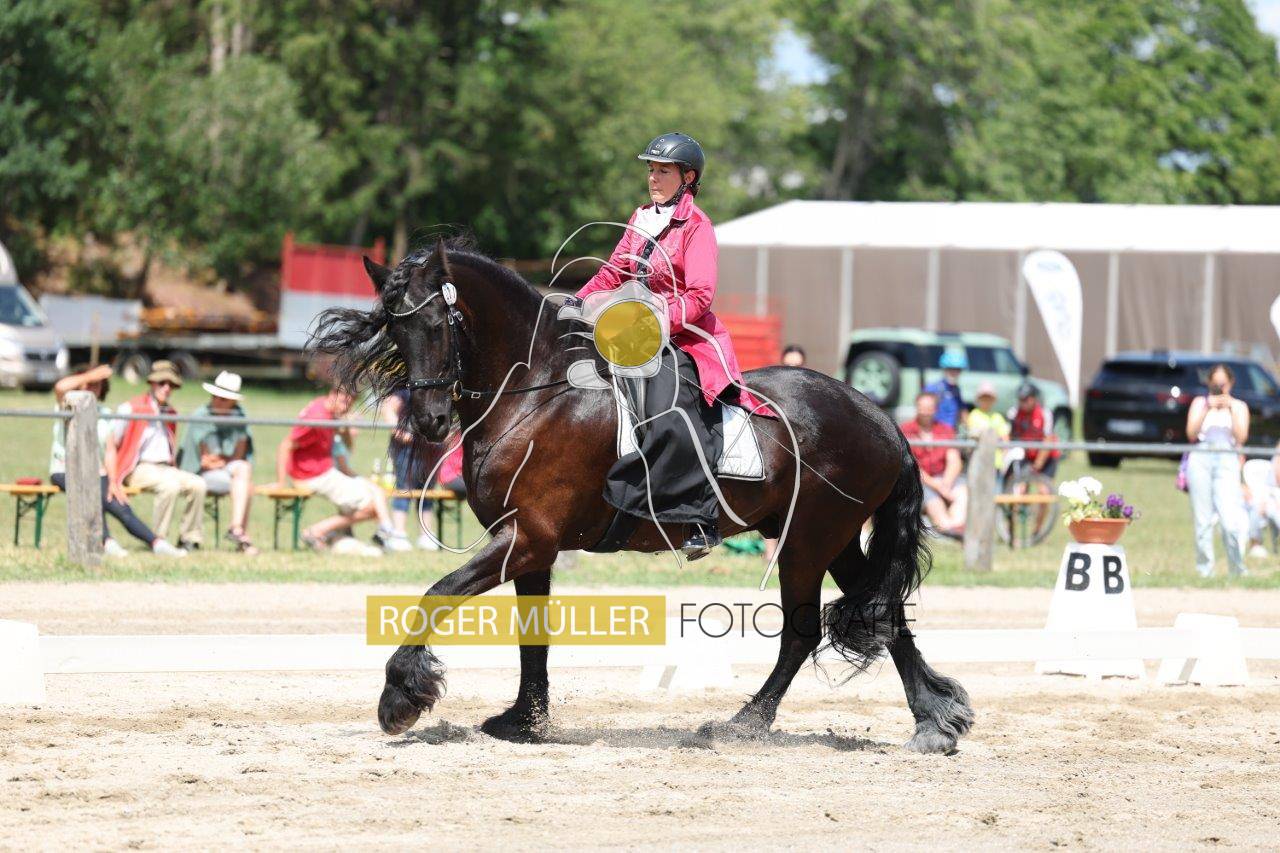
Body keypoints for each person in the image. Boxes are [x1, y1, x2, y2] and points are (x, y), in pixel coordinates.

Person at [559, 132, 774, 560]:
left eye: (663, 171)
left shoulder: (697, 227)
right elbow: (612, 273)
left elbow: (700, 295)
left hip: (685, 339)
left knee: (670, 415)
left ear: (687, 177)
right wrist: (577, 302)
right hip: (633, 335)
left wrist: (656, 317)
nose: (653, 178)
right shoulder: (641, 218)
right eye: (651, 170)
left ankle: (700, 518)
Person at [49, 365, 185, 558]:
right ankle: (106, 541)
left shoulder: (105, 413)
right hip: (64, 470)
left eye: (97, 385)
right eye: (89, 384)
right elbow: (60, 387)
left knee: (119, 505)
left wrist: (113, 482)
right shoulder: (66, 405)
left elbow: (110, 451)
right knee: (90, 495)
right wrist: (90, 375)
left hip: (97, 472)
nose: (93, 388)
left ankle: (156, 543)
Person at [273, 386, 398, 552]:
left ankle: (338, 535)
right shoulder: (317, 418)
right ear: (333, 393)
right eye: (344, 401)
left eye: (350, 404)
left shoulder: (324, 407)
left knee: (375, 494)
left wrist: (346, 422)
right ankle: (316, 531)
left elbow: (346, 444)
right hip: (313, 475)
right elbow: (285, 445)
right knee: (372, 506)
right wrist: (281, 482)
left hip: (324, 472)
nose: (346, 407)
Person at [110, 360, 207, 550]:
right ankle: (158, 540)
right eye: (162, 383)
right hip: (137, 467)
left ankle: (189, 539)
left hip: (165, 468)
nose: (167, 388)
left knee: (199, 484)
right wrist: (113, 479)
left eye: (171, 384)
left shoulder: (170, 412)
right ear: (152, 383)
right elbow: (112, 444)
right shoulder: (131, 408)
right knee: (169, 486)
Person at [176, 371, 257, 554]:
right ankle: (241, 538)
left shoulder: (240, 417)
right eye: (215, 397)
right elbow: (205, 461)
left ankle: (236, 528)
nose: (217, 401)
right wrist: (221, 461)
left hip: (227, 471)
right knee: (246, 486)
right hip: (198, 473)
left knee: (244, 469)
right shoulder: (202, 415)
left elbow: (239, 456)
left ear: (233, 401)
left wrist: (221, 461)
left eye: (223, 399)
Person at [1185, 363, 1250, 578]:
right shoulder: (1200, 402)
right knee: (1202, 519)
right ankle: (1205, 571)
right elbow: (1191, 433)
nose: (1220, 388)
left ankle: (1237, 569)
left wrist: (1229, 407)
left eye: (1223, 384)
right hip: (1201, 456)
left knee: (1230, 520)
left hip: (1227, 456)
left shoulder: (1239, 406)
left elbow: (1241, 437)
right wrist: (1207, 407)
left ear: (1231, 383)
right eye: (1215, 384)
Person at [380, 389, 443, 551]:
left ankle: (426, 535)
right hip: (406, 449)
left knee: (427, 492)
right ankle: (399, 534)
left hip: (430, 449)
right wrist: (400, 433)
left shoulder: (436, 390)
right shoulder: (404, 391)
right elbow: (388, 408)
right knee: (404, 489)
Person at [901, 392, 967, 537]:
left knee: (962, 491)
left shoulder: (945, 430)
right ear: (916, 408)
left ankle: (954, 528)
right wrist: (938, 486)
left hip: (944, 478)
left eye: (929, 408)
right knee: (932, 499)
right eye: (921, 407)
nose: (925, 412)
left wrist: (946, 483)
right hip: (920, 481)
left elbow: (954, 460)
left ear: (935, 409)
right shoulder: (906, 430)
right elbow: (912, 467)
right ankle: (948, 528)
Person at [1009, 382, 1061, 479]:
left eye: (1026, 399)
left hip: (1046, 456)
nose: (1023, 402)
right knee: (1020, 485)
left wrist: (1037, 465)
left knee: (1043, 486)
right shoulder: (1014, 412)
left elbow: (1048, 440)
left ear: (1034, 398)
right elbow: (1010, 436)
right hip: (1026, 455)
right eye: (1020, 399)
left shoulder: (1044, 413)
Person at [965, 381, 1010, 469]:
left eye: (989, 398)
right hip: (978, 463)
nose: (986, 400)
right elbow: (974, 436)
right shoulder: (974, 415)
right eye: (984, 397)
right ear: (978, 399)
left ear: (993, 400)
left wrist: (1004, 458)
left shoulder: (998, 417)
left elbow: (1005, 439)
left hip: (996, 463)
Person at [923, 350, 968, 429]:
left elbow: (962, 411)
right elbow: (923, 412)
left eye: (957, 370)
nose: (954, 372)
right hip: (936, 431)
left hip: (952, 431)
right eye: (950, 369)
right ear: (944, 369)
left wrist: (967, 426)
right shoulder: (932, 388)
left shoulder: (956, 389)